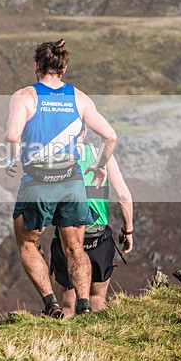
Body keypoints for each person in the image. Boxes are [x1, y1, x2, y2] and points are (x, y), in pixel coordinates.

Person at [4, 38, 117, 318]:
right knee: (75, 246)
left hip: (38, 183)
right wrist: (101, 165)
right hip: (71, 181)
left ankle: (51, 303)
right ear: (63, 68)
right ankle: (84, 304)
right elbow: (110, 136)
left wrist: (10, 159)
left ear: (36, 66)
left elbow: (12, 135)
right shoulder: (79, 98)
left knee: (29, 242)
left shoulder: (24, 96)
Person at [50, 126, 134, 316]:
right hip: (98, 238)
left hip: (66, 238)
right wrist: (128, 231)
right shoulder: (101, 156)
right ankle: (95, 340)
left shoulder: (56, 159)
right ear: (84, 132)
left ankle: (66, 344)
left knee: (66, 303)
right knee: (97, 297)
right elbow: (124, 196)